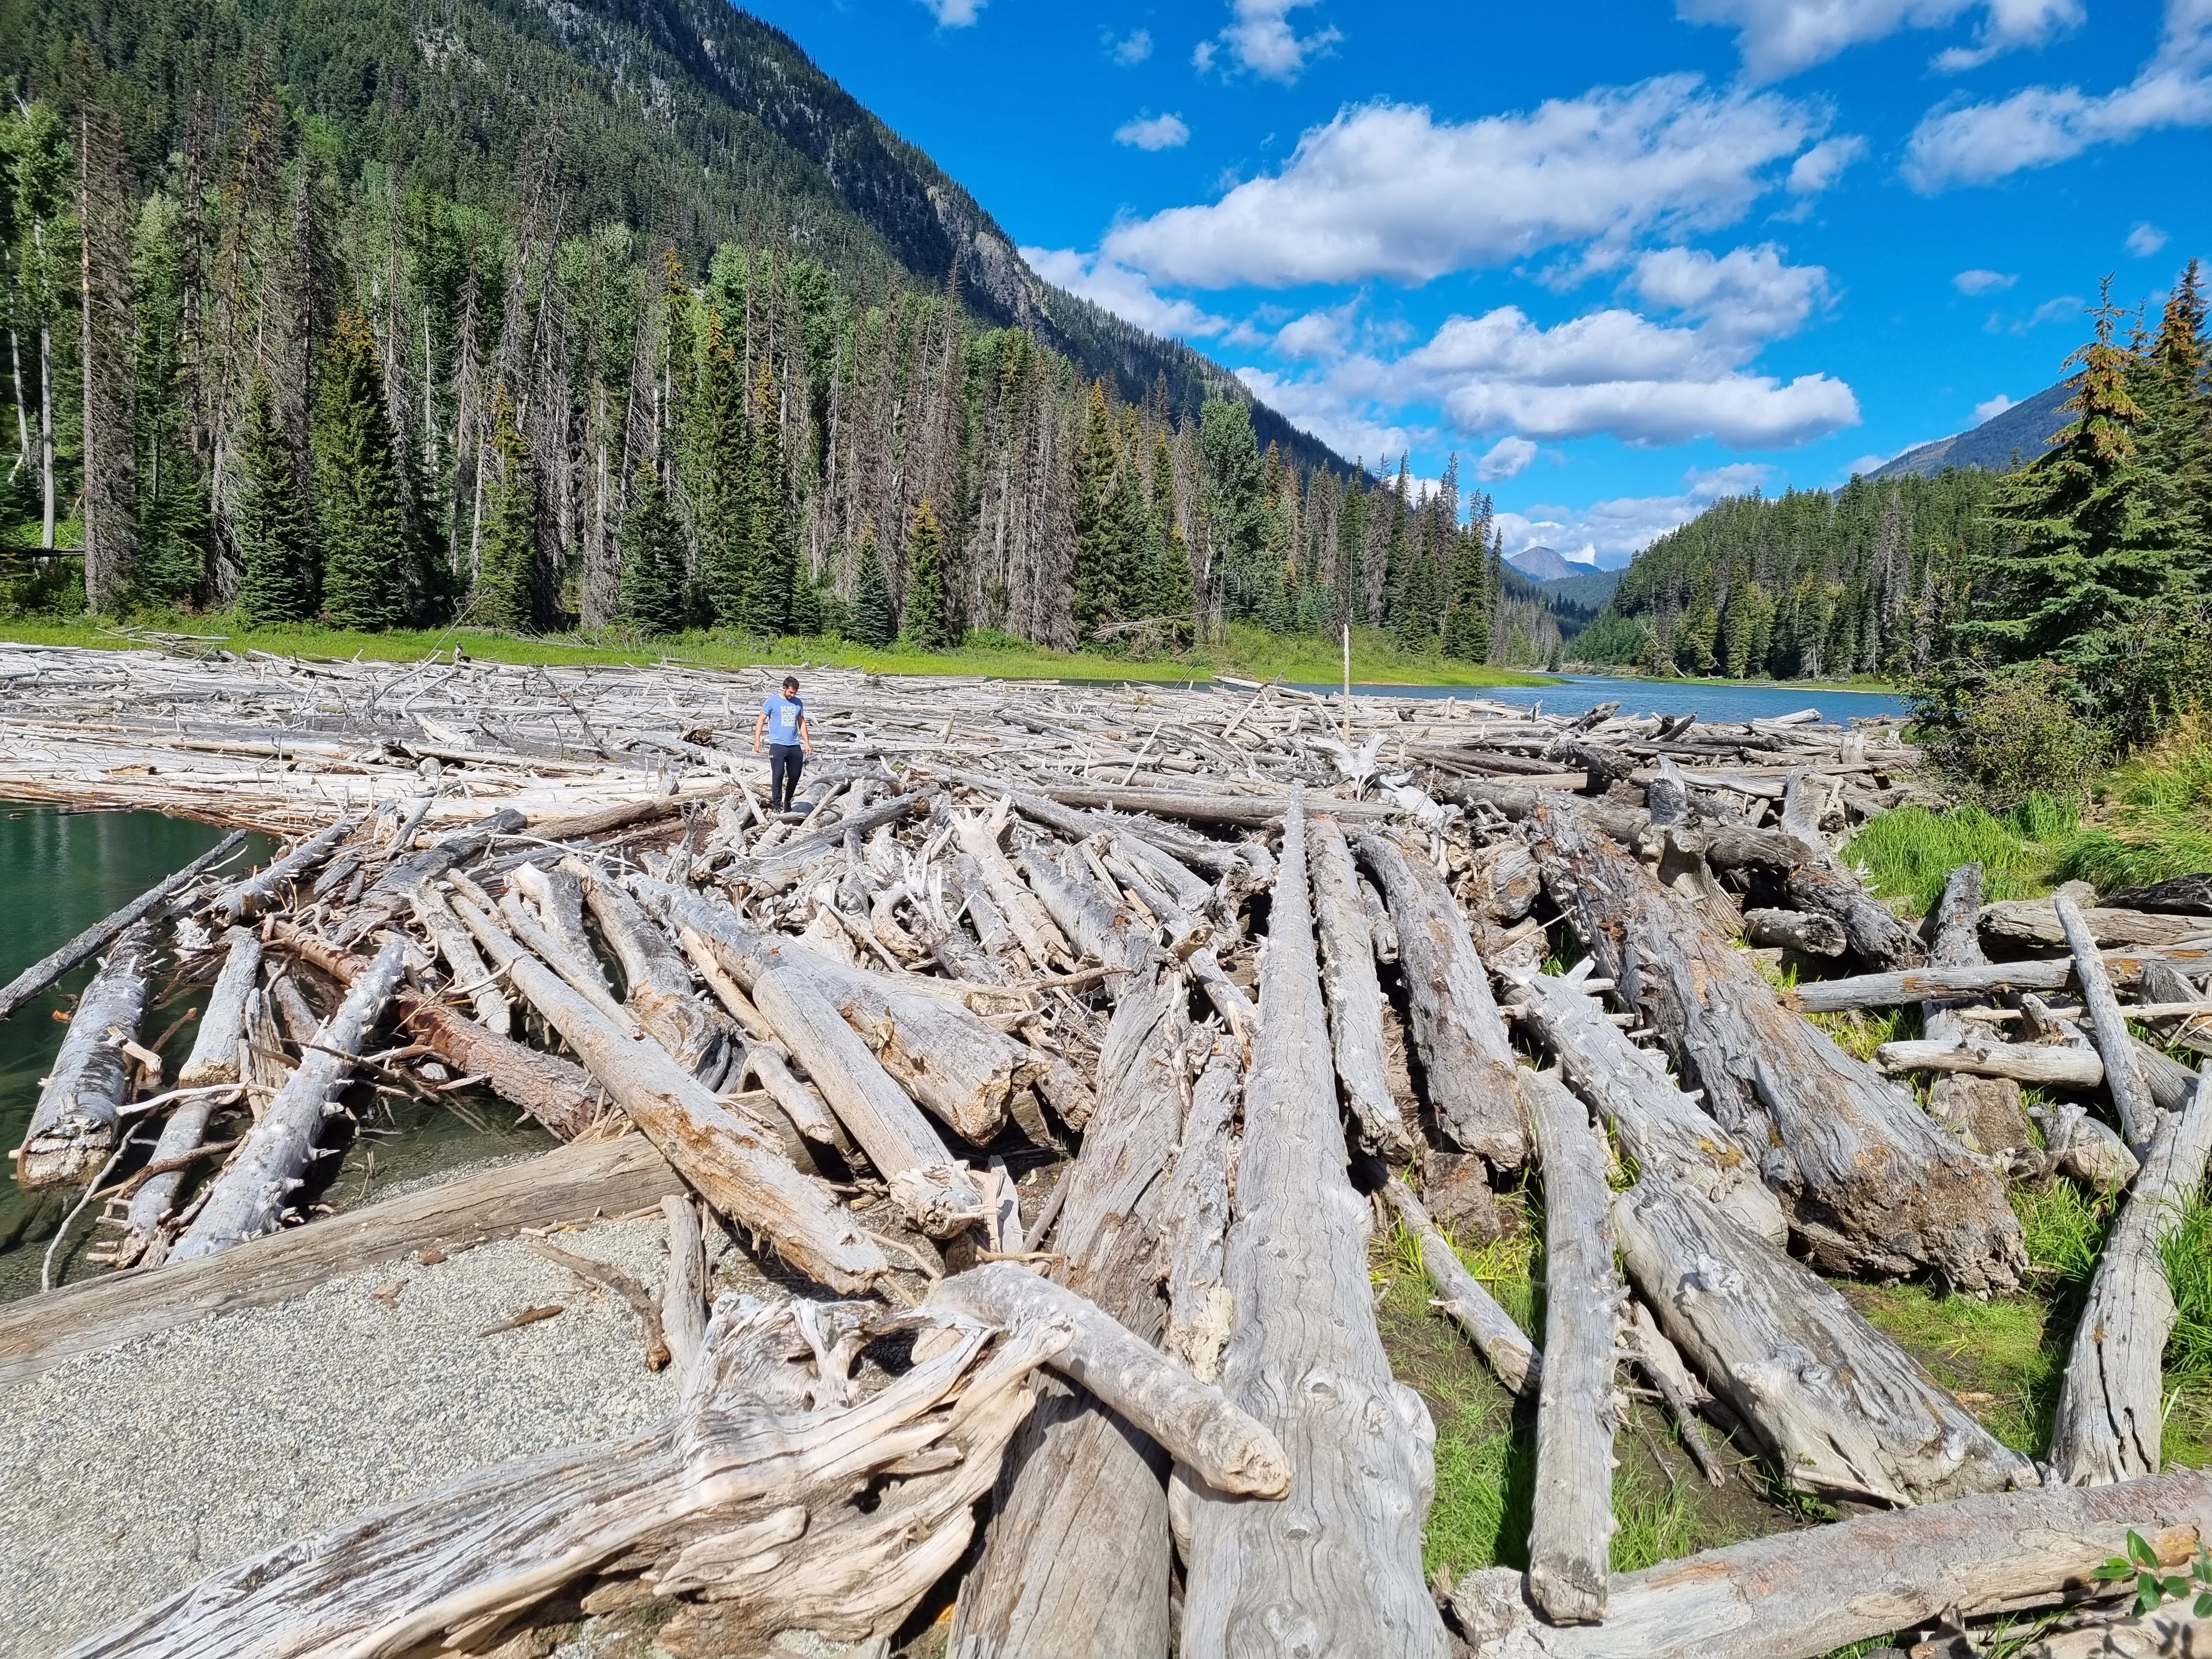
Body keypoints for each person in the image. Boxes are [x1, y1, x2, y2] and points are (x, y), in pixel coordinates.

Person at [753, 674, 812, 812]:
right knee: (778, 774)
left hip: (794, 744)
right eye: (790, 692)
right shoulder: (772, 702)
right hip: (777, 744)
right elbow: (761, 720)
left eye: (795, 693)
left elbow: (801, 722)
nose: (792, 695)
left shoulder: (798, 703)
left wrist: (807, 742)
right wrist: (757, 740)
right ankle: (776, 805)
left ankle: (788, 801)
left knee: (795, 775)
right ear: (784, 688)